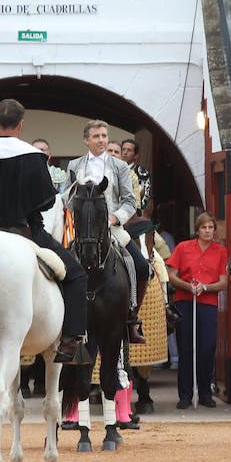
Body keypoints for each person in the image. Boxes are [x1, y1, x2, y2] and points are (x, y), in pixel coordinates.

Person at [0, 98, 87, 362]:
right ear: (21, 125)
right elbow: (47, 200)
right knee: (77, 275)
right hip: (26, 233)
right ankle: (71, 340)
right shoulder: (32, 156)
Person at [64, 121, 151, 343]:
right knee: (57, 267)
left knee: (141, 267)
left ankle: (131, 319)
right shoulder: (74, 166)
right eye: (96, 136)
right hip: (80, 231)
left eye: (104, 136)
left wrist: (114, 217)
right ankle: (62, 322)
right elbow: (66, 198)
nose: (102, 140)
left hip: (112, 228)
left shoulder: (119, 166)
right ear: (86, 140)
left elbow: (130, 201)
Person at [166, 213, 229, 405]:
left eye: (211, 228)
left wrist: (205, 287)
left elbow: (224, 282)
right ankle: (185, 396)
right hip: (185, 301)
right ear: (197, 229)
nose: (208, 231)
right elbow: (171, 275)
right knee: (186, 347)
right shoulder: (183, 248)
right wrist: (187, 285)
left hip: (208, 303)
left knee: (207, 347)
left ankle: (205, 394)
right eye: (204, 228)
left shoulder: (221, 251)